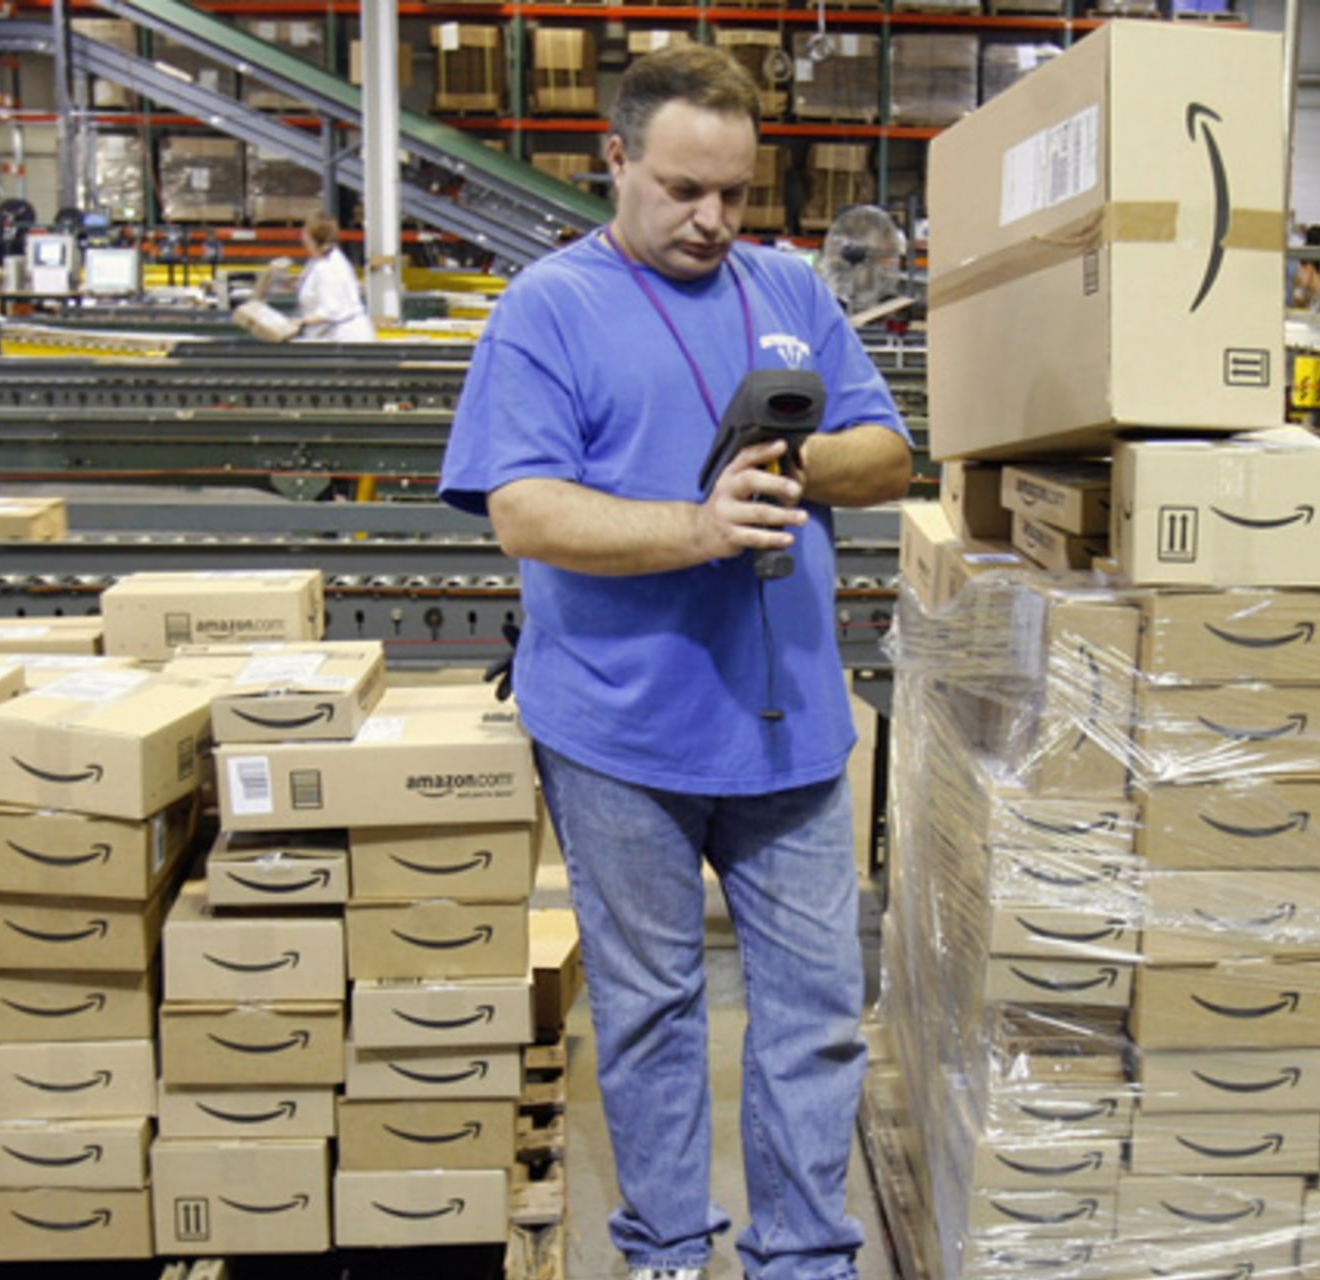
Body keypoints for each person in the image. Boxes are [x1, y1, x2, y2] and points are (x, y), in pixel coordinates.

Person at [438, 44, 912, 1280]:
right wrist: (700, 527)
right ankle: (663, 1249)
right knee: (651, 1009)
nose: (712, 219)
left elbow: (889, 451)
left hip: (788, 723)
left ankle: (803, 1255)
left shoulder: (791, 289)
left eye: (735, 194)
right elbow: (524, 510)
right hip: (621, 731)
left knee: (814, 1013)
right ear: (615, 161)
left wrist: (792, 463)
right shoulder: (549, 307)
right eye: (683, 190)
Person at [290, 211, 375, 341]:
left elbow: (331, 311)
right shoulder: (318, 260)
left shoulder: (328, 267)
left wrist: (300, 322)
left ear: (313, 237)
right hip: (329, 334)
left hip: (345, 336)